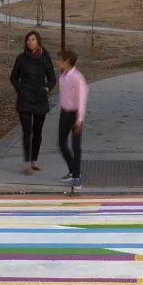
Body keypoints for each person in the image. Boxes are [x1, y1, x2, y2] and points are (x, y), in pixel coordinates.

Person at [9, 30, 57, 175]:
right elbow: (13, 78)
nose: (30, 42)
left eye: (33, 40)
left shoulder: (45, 57)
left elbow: (52, 78)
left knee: (37, 131)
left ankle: (34, 159)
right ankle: (27, 162)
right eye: (28, 40)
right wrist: (21, 89)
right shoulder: (21, 58)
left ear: (38, 42)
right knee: (27, 131)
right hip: (25, 99)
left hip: (40, 98)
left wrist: (47, 88)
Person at [55, 48, 87, 192]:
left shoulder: (77, 78)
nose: (57, 62)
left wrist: (79, 120)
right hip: (64, 113)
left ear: (67, 61)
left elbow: (82, 100)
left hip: (75, 115)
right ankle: (72, 169)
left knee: (75, 146)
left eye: (60, 60)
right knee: (61, 143)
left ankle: (77, 175)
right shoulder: (62, 76)